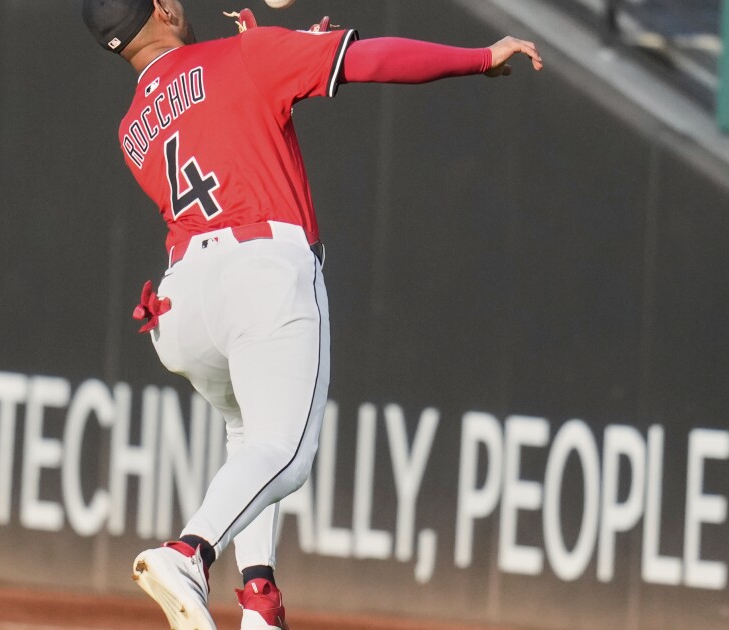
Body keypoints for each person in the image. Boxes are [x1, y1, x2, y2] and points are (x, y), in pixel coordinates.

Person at [80, 1, 542, 628]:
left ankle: (259, 600)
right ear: (162, 8)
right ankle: (188, 551)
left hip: (181, 303)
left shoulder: (131, 127)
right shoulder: (244, 54)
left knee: (248, 434)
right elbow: (370, 59)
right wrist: (480, 57)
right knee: (286, 453)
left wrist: (278, 49)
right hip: (260, 270)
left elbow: (211, 107)